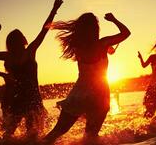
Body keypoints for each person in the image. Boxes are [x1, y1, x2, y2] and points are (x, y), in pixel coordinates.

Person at [0, 0, 63, 139]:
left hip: (18, 98)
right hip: (32, 98)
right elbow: (44, 30)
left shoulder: (8, 56)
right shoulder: (29, 51)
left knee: (9, 134)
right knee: (32, 135)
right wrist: (54, 9)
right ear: (22, 40)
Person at [43, 12, 130, 143]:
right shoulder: (103, 43)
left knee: (57, 132)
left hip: (79, 93)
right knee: (90, 137)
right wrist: (113, 20)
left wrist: (107, 47)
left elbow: (92, 49)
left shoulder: (77, 46)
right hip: (100, 95)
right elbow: (126, 33)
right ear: (96, 29)